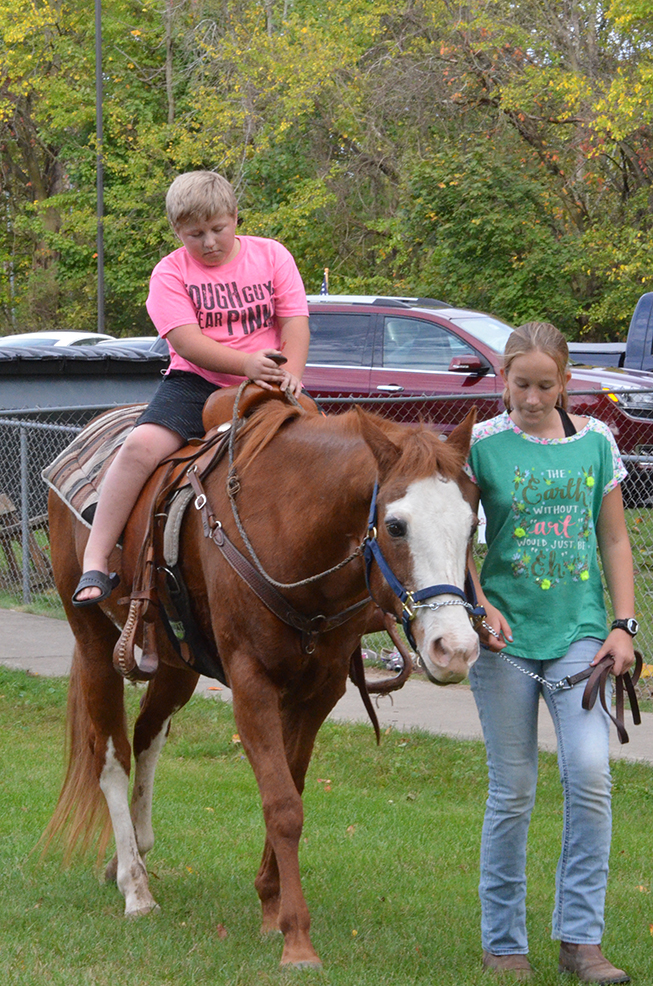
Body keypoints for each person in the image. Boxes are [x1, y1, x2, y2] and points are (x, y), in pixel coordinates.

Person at [462, 322, 635, 984]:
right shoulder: (482, 445)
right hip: (503, 643)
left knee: (589, 775)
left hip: (579, 636)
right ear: (502, 380)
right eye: (517, 384)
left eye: (542, 385)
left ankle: (580, 940)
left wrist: (623, 625)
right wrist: (480, 603)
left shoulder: (595, 444)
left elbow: (614, 541)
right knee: (512, 791)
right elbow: (454, 541)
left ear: (566, 384)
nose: (529, 399)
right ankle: (503, 943)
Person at [72, 170, 310, 604]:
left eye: (218, 229)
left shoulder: (273, 256)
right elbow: (186, 341)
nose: (209, 242)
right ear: (177, 231)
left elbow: (294, 321)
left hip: (270, 382)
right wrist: (244, 363)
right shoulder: (169, 273)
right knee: (140, 447)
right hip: (195, 382)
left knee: (328, 452)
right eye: (195, 234)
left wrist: (291, 370)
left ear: (235, 218)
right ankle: (97, 555)